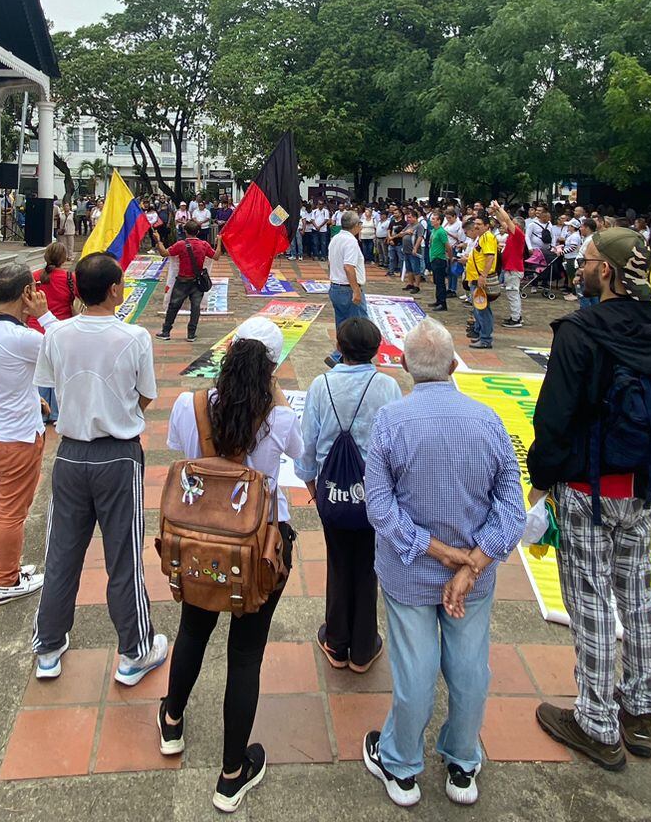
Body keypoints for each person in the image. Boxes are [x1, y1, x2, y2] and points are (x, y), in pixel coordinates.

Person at [528, 227, 651, 771]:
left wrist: (541, 477)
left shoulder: (580, 330)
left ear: (611, 271)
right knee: (637, 594)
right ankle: (639, 712)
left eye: (589, 260)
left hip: (586, 486)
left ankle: (596, 722)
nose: (581, 266)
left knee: (591, 600)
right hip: (642, 484)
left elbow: (555, 415)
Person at [360, 318, 525, 808]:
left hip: (410, 571)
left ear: (406, 365)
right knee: (470, 667)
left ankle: (403, 765)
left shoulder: (392, 421)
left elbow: (379, 506)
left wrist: (440, 552)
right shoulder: (488, 420)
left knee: (416, 670)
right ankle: (461, 761)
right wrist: (471, 563)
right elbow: (512, 508)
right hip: (470, 578)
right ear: (454, 365)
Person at [157, 316, 301, 813]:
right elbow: (300, 458)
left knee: (193, 630)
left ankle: (172, 721)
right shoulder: (279, 418)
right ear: (273, 368)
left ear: (229, 349)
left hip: (199, 545)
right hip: (260, 550)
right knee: (245, 655)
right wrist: (275, 394)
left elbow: (184, 452)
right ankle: (231, 773)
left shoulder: (189, 404)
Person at [31, 252, 167, 687]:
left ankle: (48, 647)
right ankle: (135, 650)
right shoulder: (134, 337)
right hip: (117, 455)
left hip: (70, 455)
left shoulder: (58, 335)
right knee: (123, 557)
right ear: (114, 290)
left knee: (60, 554)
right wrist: (119, 411)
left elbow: (48, 388)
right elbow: (145, 395)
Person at [296, 317, 401, 673]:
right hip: (376, 494)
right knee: (369, 566)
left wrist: (313, 487)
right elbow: (397, 445)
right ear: (375, 350)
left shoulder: (321, 385)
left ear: (340, 348)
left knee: (338, 564)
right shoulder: (387, 387)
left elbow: (307, 445)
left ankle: (336, 641)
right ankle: (363, 646)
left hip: (332, 493)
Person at [0, 264, 53, 605]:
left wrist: (32, 397)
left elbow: (3, 374)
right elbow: (67, 349)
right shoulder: (25, 338)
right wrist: (45, 316)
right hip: (17, 438)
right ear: (26, 294)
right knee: (12, 512)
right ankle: (6, 580)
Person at [157, 220, 215, 343]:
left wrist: (158, 240)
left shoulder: (180, 245)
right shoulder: (204, 245)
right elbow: (216, 256)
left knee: (173, 306)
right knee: (195, 308)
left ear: (185, 231)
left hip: (182, 281)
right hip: (197, 282)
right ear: (198, 232)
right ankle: (191, 334)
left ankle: (166, 331)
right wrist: (219, 241)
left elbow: (163, 253)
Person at [325, 211, 367, 367]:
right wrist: (356, 290)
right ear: (356, 225)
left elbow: (330, 263)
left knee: (342, 325)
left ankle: (343, 355)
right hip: (347, 288)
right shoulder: (350, 242)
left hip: (336, 286)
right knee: (360, 325)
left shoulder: (335, 238)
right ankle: (344, 356)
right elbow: (349, 267)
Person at [462, 215, 499, 349]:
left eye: (479, 224)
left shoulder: (488, 237)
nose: (476, 226)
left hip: (480, 278)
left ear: (487, 225)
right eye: (475, 223)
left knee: (482, 309)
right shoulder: (482, 237)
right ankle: (481, 335)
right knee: (479, 310)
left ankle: (485, 339)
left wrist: (483, 275)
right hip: (474, 278)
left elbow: (490, 257)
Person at [492, 204, 526, 328]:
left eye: (513, 223)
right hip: (511, 267)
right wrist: (496, 211)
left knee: (512, 293)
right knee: (512, 293)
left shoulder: (518, 234)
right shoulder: (513, 234)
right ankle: (516, 316)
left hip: (513, 268)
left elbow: (506, 220)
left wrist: (499, 208)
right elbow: (502, 221)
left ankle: (516, 318)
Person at [31, 242, 77, 330]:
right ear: (63, 259)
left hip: (35, 327)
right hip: (61, 327)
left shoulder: (33, 276)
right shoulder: (70, 278)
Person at [426, 210, 450, 312]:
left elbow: (447, 246)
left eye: (434, 219)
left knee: (440, 282)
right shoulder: (434, 231)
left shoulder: (441, 231)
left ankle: (442, 303)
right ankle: (438, 300)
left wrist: (450, 257)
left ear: (439, 221)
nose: (432, 221)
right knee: (437, 281)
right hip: (434, 258)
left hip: (439, 258)